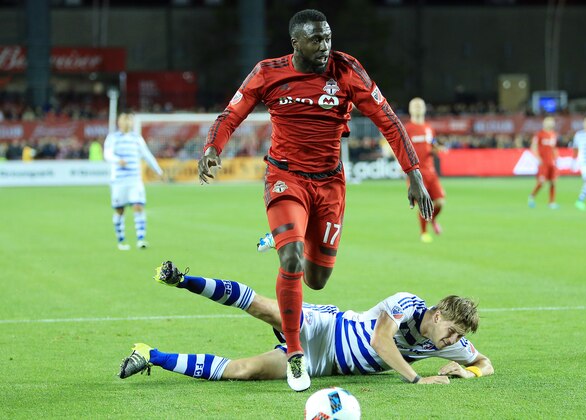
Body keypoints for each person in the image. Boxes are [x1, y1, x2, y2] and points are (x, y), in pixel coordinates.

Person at [197, 9, 433, 391]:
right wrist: (212, 147)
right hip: (285, 178)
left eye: (327, 38)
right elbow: (232, 113)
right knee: (290, 260)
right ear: (296, 43)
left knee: (317, 280)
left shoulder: (347, 71)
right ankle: (294, 354)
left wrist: (414, 172)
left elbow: (387, 119)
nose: (325, 46)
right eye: (316, 39)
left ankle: (290, 233)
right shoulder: (268, 72)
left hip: (329, 185)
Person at [119, 261, 494, 386]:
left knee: (242, 371)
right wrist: (417, 379)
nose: (454, 342)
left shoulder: (449, 343)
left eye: (459, 337)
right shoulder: (408, 304)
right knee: (267, 308)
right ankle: (182, 279)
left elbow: (484, 363)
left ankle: (150, 354)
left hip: (320, 364)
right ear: (439, 314)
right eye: (453, 331)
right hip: (327, 328)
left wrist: (468, 373)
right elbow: (382, 342)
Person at [103, 111, 163, 250]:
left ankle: (141, 239)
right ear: (119, 122)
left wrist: (158, 171)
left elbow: (147, 155)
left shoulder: (137, 138)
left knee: (138, 206)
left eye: (129, 120)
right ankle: (121, 240)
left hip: (135, 179)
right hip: (118, 181)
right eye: (125, 120)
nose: (127, 123)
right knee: (120, 210)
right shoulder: (113, 138)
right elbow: (107, 154)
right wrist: (118, 160)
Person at [404, 97, 445, 243]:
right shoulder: (407, 129)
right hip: (416, 173)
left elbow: (432, 145)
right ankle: (424, 233)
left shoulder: (429, 128)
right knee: (423, 203)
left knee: (440, 202)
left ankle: (432, 220)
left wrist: (437, 149)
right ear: (410, 109)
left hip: (431, 172)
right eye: (414, 105)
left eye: (420, 105)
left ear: (424, 108)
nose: (417, 107)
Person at [528, 116, 559, 209]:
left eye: (552, 121)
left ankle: (552, 202)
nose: (550, 123)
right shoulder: (539, 134)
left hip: (552, 162)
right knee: (541, 182)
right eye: (548, 121)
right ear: (544, 123)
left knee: (553, 182)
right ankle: (532, 196)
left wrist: (556, 158)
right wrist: (538, 158)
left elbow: (554, 148)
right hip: (543, 163)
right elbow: (533, 147)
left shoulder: (554, 134)